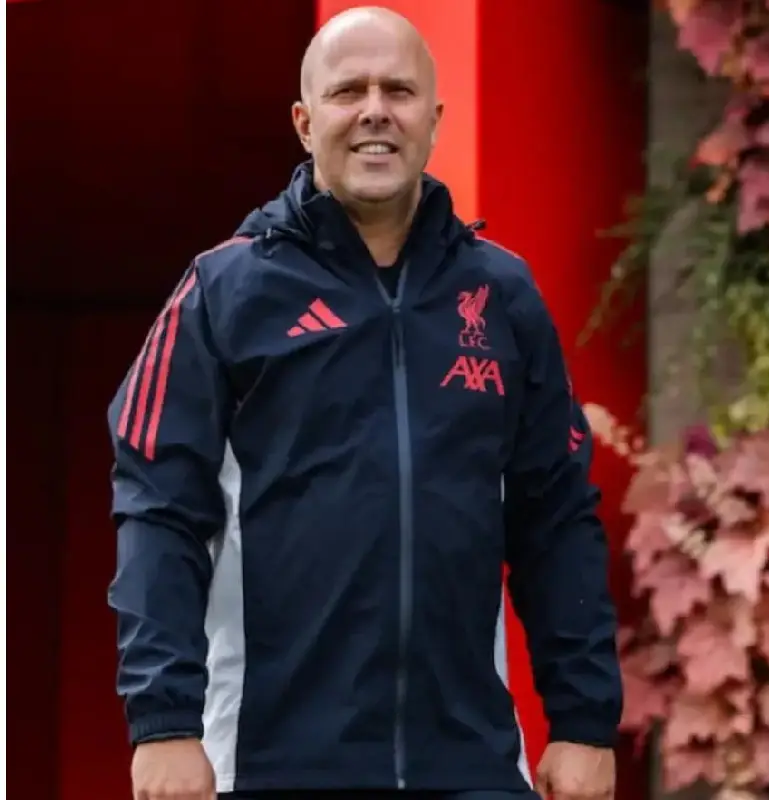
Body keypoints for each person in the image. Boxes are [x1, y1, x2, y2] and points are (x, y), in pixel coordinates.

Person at [107, 6, 621, 800]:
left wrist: (584, 721)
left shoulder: (502, 295)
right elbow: (158, 512)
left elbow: (556, 519)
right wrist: (163, 722)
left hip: (471, 765)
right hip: (270, 765)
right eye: (349, 91)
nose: (375, 110)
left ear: (434, 120)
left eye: (398, 91)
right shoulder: (224, 291)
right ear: (304, 123)